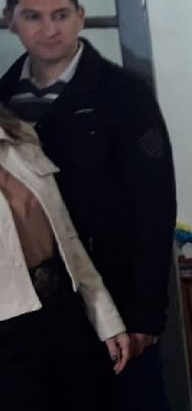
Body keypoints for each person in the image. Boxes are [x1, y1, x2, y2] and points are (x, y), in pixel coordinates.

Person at [0, 0, 177, 410]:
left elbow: (154, 209)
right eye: (33, 16)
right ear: (10, 20)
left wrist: (144, 313)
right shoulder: (3, 99)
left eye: (60, 15)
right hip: (41, 311)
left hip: (115, 289)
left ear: (79, 15)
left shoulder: (123, 94)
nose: (49, 30)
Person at [0, 104, 130, 411]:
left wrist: (107, 320)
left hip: (64, 311)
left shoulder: (21, 139)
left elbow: (68, 237)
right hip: (7, 335)